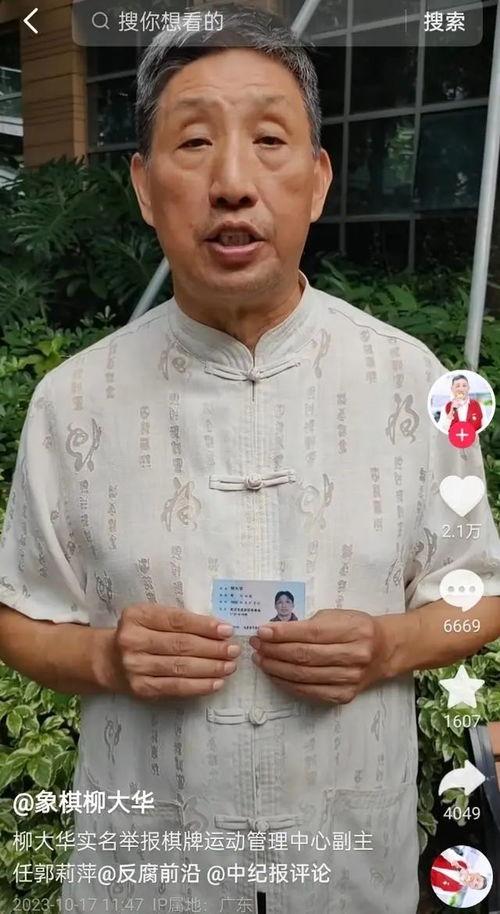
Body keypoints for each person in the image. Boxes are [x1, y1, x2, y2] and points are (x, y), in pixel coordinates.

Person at [0, 5, 500, 913]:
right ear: (145, 186)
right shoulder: (72, 403)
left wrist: (387, 645)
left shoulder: (414, 381)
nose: (233, 182)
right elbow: (19, 616)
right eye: (194, 143)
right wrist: (109, 660)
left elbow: (479, 598)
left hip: (348, 878)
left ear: (317, 180)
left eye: (270, 140)